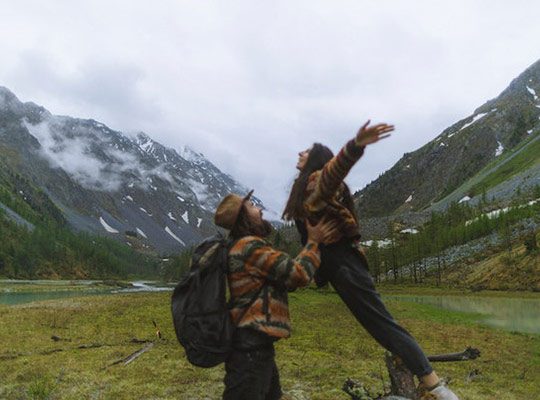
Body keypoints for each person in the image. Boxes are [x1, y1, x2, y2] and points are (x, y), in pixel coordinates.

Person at [282, 121, 460, 400]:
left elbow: (333, 173)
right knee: (380, 326)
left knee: (383, 325)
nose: (299, 154)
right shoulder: (305, 188)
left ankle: (435, 386)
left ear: (316, 160)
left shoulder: (317, 181)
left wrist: (355, 145)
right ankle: (432, 384)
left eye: (305, 151)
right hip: (337, 265)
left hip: (344, 265)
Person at [214, 190, 336, 400]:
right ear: (242, 217)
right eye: (252, 206)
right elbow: (298, 274)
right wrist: (314, 242)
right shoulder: (249, 247)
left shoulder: (242, 247)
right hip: (250, 350)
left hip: (255, 347)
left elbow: (284, 277)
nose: (259, 209)